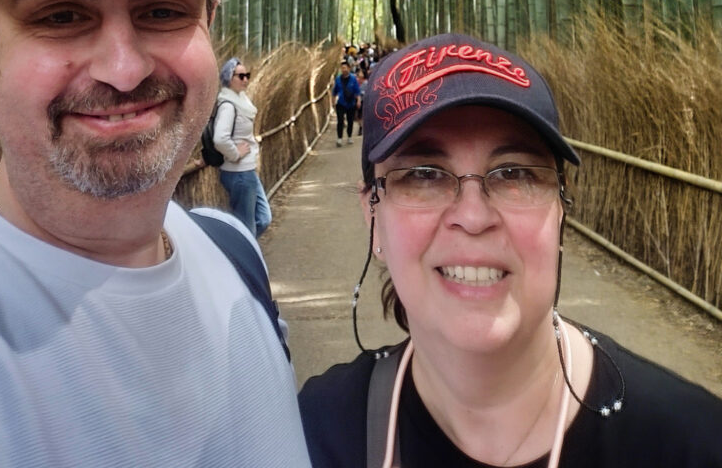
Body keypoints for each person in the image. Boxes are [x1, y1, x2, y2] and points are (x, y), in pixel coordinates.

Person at [0, 0, 310, 467]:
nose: (123, 70)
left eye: (163, 13)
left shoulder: (233, 251)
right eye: (62, 16)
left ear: (210, 23)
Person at [299, 32, 722, 467]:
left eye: (515, 173)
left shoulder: (691, 444)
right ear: (373, 219)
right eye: (424, 174)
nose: (474, 216)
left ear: (560, 211)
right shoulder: (312, 435)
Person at [215, 56, 272, 237]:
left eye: (247, 75)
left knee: (263, 218)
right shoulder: (229, 105)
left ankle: (237, 252)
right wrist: (235, 153)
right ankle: (243, 261)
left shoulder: (242, 101)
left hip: (247, 171)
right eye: (240, 76)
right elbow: (220, 138)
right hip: (238, 172)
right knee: (247, 229)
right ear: (229, 78)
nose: (245, 79)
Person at [333, 58, 361, 147]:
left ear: (349, 68)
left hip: (351, 102)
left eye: (345, 68)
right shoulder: (338, 79)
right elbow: (334, 92)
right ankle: (339, 138)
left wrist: (358, 100)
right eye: (342, 68)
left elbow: (357, 91)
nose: (343, 70)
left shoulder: (353, 79)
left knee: (350, 121)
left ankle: (349, 136)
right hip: (341, 103)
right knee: (340, 120)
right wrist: (333, 102)